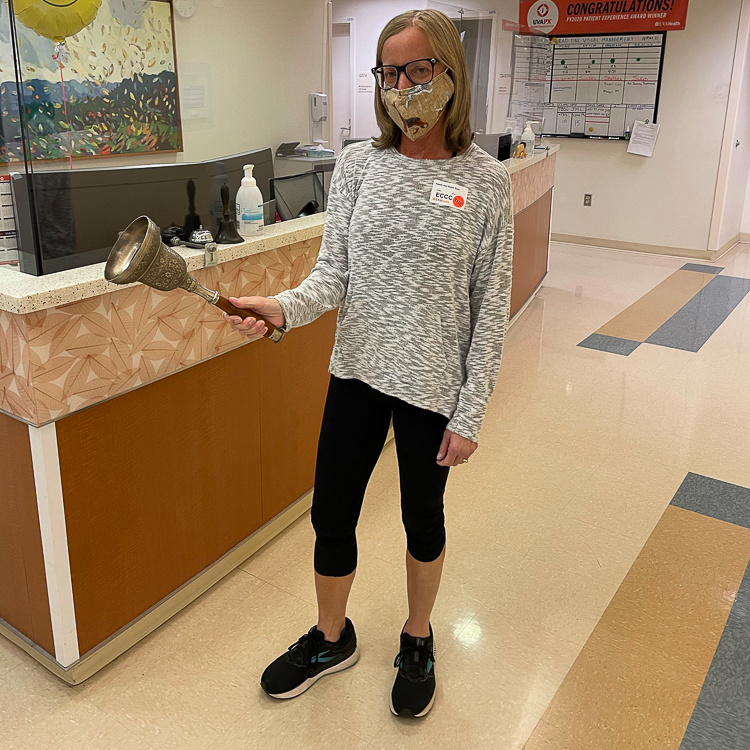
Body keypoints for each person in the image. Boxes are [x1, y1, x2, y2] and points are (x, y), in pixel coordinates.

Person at [222, 9, 514, 719]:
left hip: (431, 386)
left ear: (451, 74)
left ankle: (417, 637)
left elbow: (489, 309)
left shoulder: (487, 183)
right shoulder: (358, 165)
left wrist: (469, 413)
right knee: (332, 514)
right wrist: (283, 307)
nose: (404, 87)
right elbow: (333, 276)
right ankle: (332, 636)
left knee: (423, 518)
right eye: (390, 73)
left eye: (419, 70)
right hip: (355, 372)